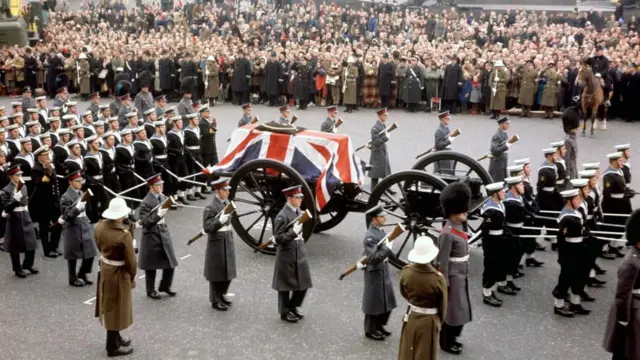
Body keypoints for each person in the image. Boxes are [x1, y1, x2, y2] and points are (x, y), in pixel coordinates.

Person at [94, 197, 136, 357]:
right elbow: (131, 261)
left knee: (110, 305)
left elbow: (99, 244)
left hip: (106, 268)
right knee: (116, 308)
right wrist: (131, 277)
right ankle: (112, 346)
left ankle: (116, 338)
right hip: (119, 272)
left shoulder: (99, 226)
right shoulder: (123, 235)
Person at [436, 182, 472, 355]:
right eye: (462, 209)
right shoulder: (447, 233)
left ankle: (454, 337)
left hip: (461, 274)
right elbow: (441, 262)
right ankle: (446, 342)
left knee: (460, 310)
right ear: (452, 211)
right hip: (453, 278)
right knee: (451, 312)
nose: (465, 212)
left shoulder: (458, 227)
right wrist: (445, 284)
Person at [397, 236, 446, 360]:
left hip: (412, 314)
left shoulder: (406, 271)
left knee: (408, 351)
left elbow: (404, 292)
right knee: (425, 354)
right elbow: (443, 304)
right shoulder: (437, 278)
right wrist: (439, 320)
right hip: (429, 320)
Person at [602, 209, 640, 360]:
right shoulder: (631, 263)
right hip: (631, 312)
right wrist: (623, 319)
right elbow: (623, 295)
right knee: (627, 351)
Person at [272, 185, 312, 323]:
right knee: (285, 286)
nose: (301, 200)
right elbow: (278, 238)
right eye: (298, 197)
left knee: (303, 282)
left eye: (301, 197)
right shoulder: (282, 216)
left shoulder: (297, 211)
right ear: (290, 198)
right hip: (287, 253)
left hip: (298, 251)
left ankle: (293, 306)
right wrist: (293, 232)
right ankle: (284, 311)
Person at [138, 174, 178, 299]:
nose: (161, 186)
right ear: (151, 187)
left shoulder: (162, 197)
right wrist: (158, 215)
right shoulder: (146, 202)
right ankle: (150, 290)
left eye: (162, 184)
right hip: (151, 234)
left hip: (163, 230)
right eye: (158, 185)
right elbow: (146, 223)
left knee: (170, 261)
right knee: (151, 265)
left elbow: (168, 202)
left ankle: (165, 286)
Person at [552, 188, 591, 318]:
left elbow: (582, 226)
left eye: (579, 198)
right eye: (576, 199)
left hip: (579, 247)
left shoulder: (577, 211)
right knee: (565, 278)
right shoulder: (566, 217)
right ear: (569, 202)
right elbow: (560, 238)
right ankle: (558, 305)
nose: (579, 200)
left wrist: (585, 233)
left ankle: (575, 303)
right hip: (569, 249)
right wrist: (562, 257)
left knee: (579, 276)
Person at [361, 204, 398, 341]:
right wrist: (387, 249)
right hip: (375, 271)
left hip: (383, 269)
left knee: (386, 300)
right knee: (373, 303)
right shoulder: (370, 236)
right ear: (374, 219)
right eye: (381, 217)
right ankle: (370, 330)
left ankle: (379, 325)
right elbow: (373, 258)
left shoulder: (380, 231)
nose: (385, 218)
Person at [202, 178, 237, 311]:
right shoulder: (211, 207)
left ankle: (221, 295)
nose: (227, 193)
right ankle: (215, 300)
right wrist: (220, 220)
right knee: (216, 273)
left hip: (227, 238)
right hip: (217, 241)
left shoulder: (226, 203)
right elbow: (207, 227)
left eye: (228, 190)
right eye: (224, 190)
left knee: (228, 271)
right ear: (218, 190)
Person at [60, 170, 97, 287]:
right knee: (73, 254)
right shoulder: (65, 197)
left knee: (90, 251)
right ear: (70, 182)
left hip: (84, 222)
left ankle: (82, 273)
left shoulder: (81, 192)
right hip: (73, 226)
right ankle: (72, 278)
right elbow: (67, 216)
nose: (80, 183)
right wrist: (77, 208)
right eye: (77, 181)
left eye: (81, 180)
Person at [1, 165, 38, 278]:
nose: (19, 177)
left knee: (31, 241)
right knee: (15, 245)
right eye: (17, 175)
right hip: (14, 216)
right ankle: (17, 268)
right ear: (11, 176)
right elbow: (6, 207)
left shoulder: (23, 186)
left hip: (25, 214)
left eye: (20, 174)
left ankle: (28, 264)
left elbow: (27, 201)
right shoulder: (5, 190)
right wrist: (14, 200)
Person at [480, 182, 511, 307]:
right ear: (495, 194)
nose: (504, 192)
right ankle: (486, 293)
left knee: (499, 264)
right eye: (502, 191)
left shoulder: (500, 204)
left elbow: (502, 223)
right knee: (490, 266)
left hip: (499, 238)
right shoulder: (490, 210)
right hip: (491, 241)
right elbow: (485, 229)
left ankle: (493, 288)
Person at [30, 145, 63, 258]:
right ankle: (47, 250)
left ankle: (54, 246)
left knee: (58, 224)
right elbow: (39, 183)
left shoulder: (50, 164)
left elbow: (55, 181)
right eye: (45, 155)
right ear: (40, 157)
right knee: (44, 227)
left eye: (48, 154)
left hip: (53, 199)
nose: (48, 157)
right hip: (43, 202)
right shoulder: (36, 168)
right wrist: (47, 172)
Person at [602, 151, 634, 258]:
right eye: (620, 160)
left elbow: (621, 187)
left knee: (621, 226)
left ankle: (613, 247)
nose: (622, 162)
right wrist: (607, 210)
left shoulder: (619, 171)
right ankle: (603, 250)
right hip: (613, 206)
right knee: (610, 227)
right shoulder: (609, 175)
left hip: (622, 203)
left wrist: (628, 193)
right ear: (613, 161)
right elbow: (607, 193)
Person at [536, 147, 564, 250]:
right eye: (555, 155)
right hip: (545, 198)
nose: (557, 157)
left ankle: (554, 241)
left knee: (552, 219)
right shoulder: (544, 170)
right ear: (549, 156)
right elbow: (540, 186)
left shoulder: (553, 166)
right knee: (544, 219)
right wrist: (541, 200)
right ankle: (536, 241)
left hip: (552, 195)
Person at [369, 108, 392, 191]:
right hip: (377, 152)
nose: (386, 117)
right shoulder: (375, 128)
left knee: (385, 170)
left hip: (382, 150)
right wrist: (385, 138)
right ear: (379, 116)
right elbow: (376, 142)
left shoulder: (382, 125)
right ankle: (373, 189)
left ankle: (387, 187)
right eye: (384, 115)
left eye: (387, 115)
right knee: (375, 173)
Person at [488, 116, 511, 182]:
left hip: (502, 162)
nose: (508, 125)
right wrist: (506, 146)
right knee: (497, 182)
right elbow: (494, 150)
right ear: (501, 124)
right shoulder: (497, 135)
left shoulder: (504, 133)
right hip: (497, 164)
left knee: (503, 181)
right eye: (506, 123)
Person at [433, 111, 455, 176]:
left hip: (447, 154)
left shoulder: (446, 128)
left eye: (449, 118)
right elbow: (438, 146)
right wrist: (449, 140)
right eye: (447, 119)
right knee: (444, 175)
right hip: (442, 158)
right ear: (442, 119)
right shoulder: (440, 131)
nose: (449, 120)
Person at [563, 100, 580, 179]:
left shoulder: (573, 136)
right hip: (570, 169)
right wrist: (567, 174)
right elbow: (566, 158)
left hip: (574, 166)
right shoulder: (568, 140)